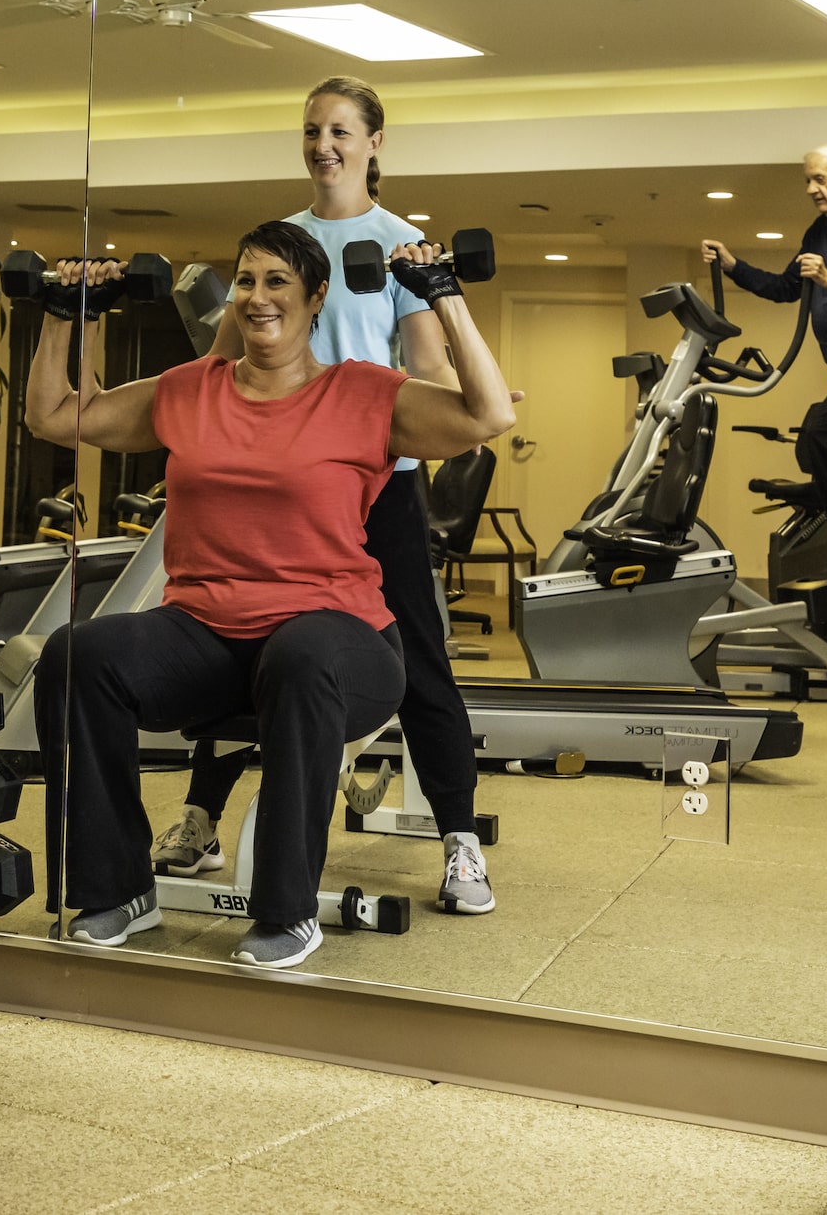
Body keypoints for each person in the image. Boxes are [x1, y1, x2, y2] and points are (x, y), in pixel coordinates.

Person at [26, 222, 519, 969]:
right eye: (247, 280)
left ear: (316, 296)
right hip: (209, 635)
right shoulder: (190, 390)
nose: (257, 298)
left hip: (343, 643)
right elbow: (59, 415)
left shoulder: (364, 392)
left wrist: (442, 295)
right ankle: (118, 889)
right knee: (76, 654)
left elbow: (488, 413)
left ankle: (287, 911)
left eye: (277, 282)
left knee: (301, 650)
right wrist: (67, 314)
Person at [156, 75, 499, 916]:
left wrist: (459, 407)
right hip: (273, 478)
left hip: (372, 480)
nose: (323, 146)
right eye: (313, 130)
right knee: (241, 633)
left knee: (418, 657)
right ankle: (202, 814)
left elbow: (428, 369)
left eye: (341, 131)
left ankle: (460, 839)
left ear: (375, 142)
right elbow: (229, 354)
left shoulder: (400, 243)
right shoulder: (282, 241)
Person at [703, 144, 827, 581]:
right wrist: (733, 265)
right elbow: (785, 288)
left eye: (820, 179)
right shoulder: (819, 232)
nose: (812, 189)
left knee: (823, 432)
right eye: (808, 181)